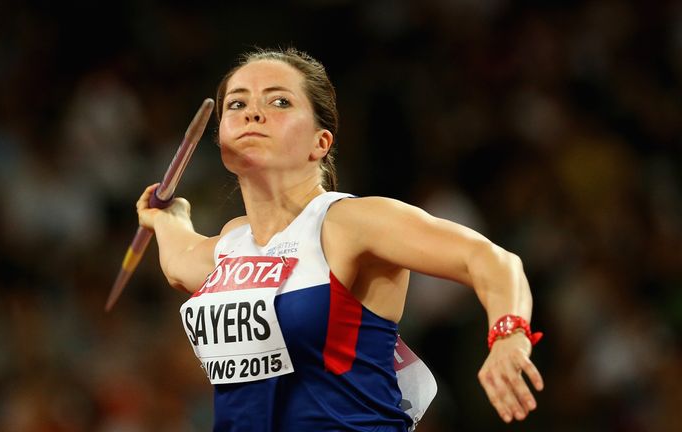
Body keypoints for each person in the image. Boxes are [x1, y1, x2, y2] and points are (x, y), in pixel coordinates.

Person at [135, 47, 543, 431]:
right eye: (237, 104)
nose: (253, 113)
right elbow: (179, 261)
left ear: (320, 142)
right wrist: (170, 218)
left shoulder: (349, 223)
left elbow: (490, 259)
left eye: (279, 102)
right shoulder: (230, 245)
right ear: (222, 142)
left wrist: (509, 335)